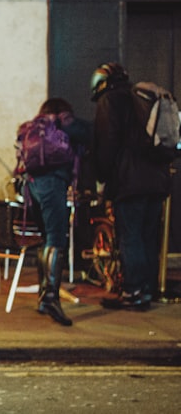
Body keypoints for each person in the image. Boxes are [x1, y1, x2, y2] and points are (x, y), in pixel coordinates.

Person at [91, 61, 172, 311]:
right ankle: (144, 289)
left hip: (130, 181)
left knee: (131, 236)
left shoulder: (111, 100)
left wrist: (102, 177)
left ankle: (133, 292)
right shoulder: (141, 100)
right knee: (148, 237)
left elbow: (107, 142)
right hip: (157, 182)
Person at [22, 98, 91, 326]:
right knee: (57, 238)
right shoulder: (64, 121)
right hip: (53, 184)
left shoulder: (35, 125)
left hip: (33, 186)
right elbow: (87, 133)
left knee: (47, 239)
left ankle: (44, 296)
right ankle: (51, 297)